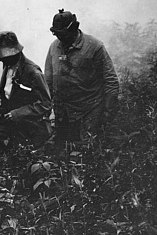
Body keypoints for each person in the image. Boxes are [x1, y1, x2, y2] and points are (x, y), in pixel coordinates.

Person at [44, 9, 120, 144]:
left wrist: (108, 111)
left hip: (89, 111)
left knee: (87, 149)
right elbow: (48, 79)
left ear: (74, 28)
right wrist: (48, 108)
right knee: (63, 151)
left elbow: (111, 80)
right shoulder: (54, 47)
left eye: (63, 34)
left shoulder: (95, 46)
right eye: (57, 35)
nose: (59, 39)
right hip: (63, 112)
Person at [0, 31, 52, 148]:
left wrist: (17, 114)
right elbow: (8, 88)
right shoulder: (8, 66)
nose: (0, 60)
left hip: (30, 125)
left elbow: (45, 104)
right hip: (8, 121)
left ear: (14, 53)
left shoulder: (33, 72)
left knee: (23, 156)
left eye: (3, 56)